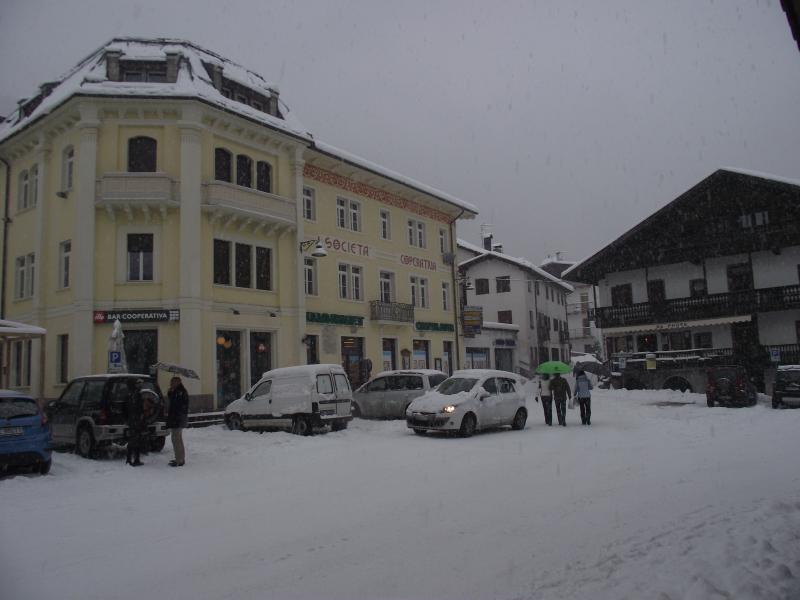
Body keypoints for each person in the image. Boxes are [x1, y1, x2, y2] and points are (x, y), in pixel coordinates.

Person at [167, 376, 189, 467]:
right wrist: (170, 392)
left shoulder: (180, 392)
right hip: (177, 418)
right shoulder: (177, 391)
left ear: (178, 382)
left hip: (178, 418)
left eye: (172, 382)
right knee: (177, 439)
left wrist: (172, 393)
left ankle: (179, 460)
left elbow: (177, 405)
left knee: (176, 439)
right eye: (171, 382)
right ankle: (180, 458)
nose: (171, 384)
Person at [126, 379, 145, 466]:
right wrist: (140, 415)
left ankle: (131, 459)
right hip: (135, 420)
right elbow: (137, 407)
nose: (141, 385)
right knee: (135, 440)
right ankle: (133, 459)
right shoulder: (136, 394)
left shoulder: (132, 393)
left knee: (134, 440)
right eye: (139, 383)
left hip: (133, 419)